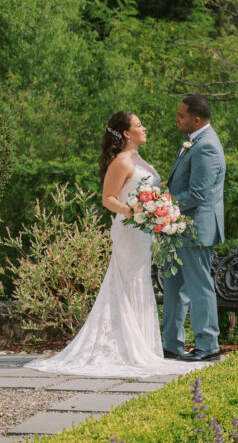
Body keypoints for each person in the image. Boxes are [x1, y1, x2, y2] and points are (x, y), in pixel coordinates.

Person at [28, 111, 206, 378]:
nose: (144, 128)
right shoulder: (121, 162)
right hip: (129, 230)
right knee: (126, 281)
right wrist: (132, 212)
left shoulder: (138, 159)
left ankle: (141, 345)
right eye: (138, 125)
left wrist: (159, 201)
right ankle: (125, 347)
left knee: (139, 281)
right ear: (126, 133)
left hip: (142, 232)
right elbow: (108, 198)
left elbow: (147, 189)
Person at [161, 94, 226, 362]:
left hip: (195, 229)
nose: (176, 118)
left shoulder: (207, 146)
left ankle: (208, 346)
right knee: (174, 286)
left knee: (200, 287)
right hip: (179, 226)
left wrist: (163, 205)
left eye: (181, 115)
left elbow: (198, 194)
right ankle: (171, 346)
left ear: (196, 119)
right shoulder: (193, 142)